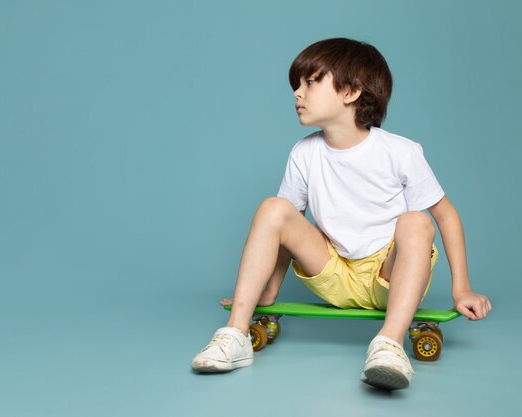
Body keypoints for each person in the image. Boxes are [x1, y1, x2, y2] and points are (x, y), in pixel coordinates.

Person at [191, 38, 492, 390]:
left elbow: (448, 216)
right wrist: (268, 292)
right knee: (274, 207)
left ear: (350, 91)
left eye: (310, 82)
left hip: (389, 276)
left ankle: (389, 345)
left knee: (416, 221)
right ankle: (236, 334)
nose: (296, 94)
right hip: (333, 271)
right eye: (296, 85)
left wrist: (462, 289)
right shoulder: (304, 153)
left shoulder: (400, 152)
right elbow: (282, 228)